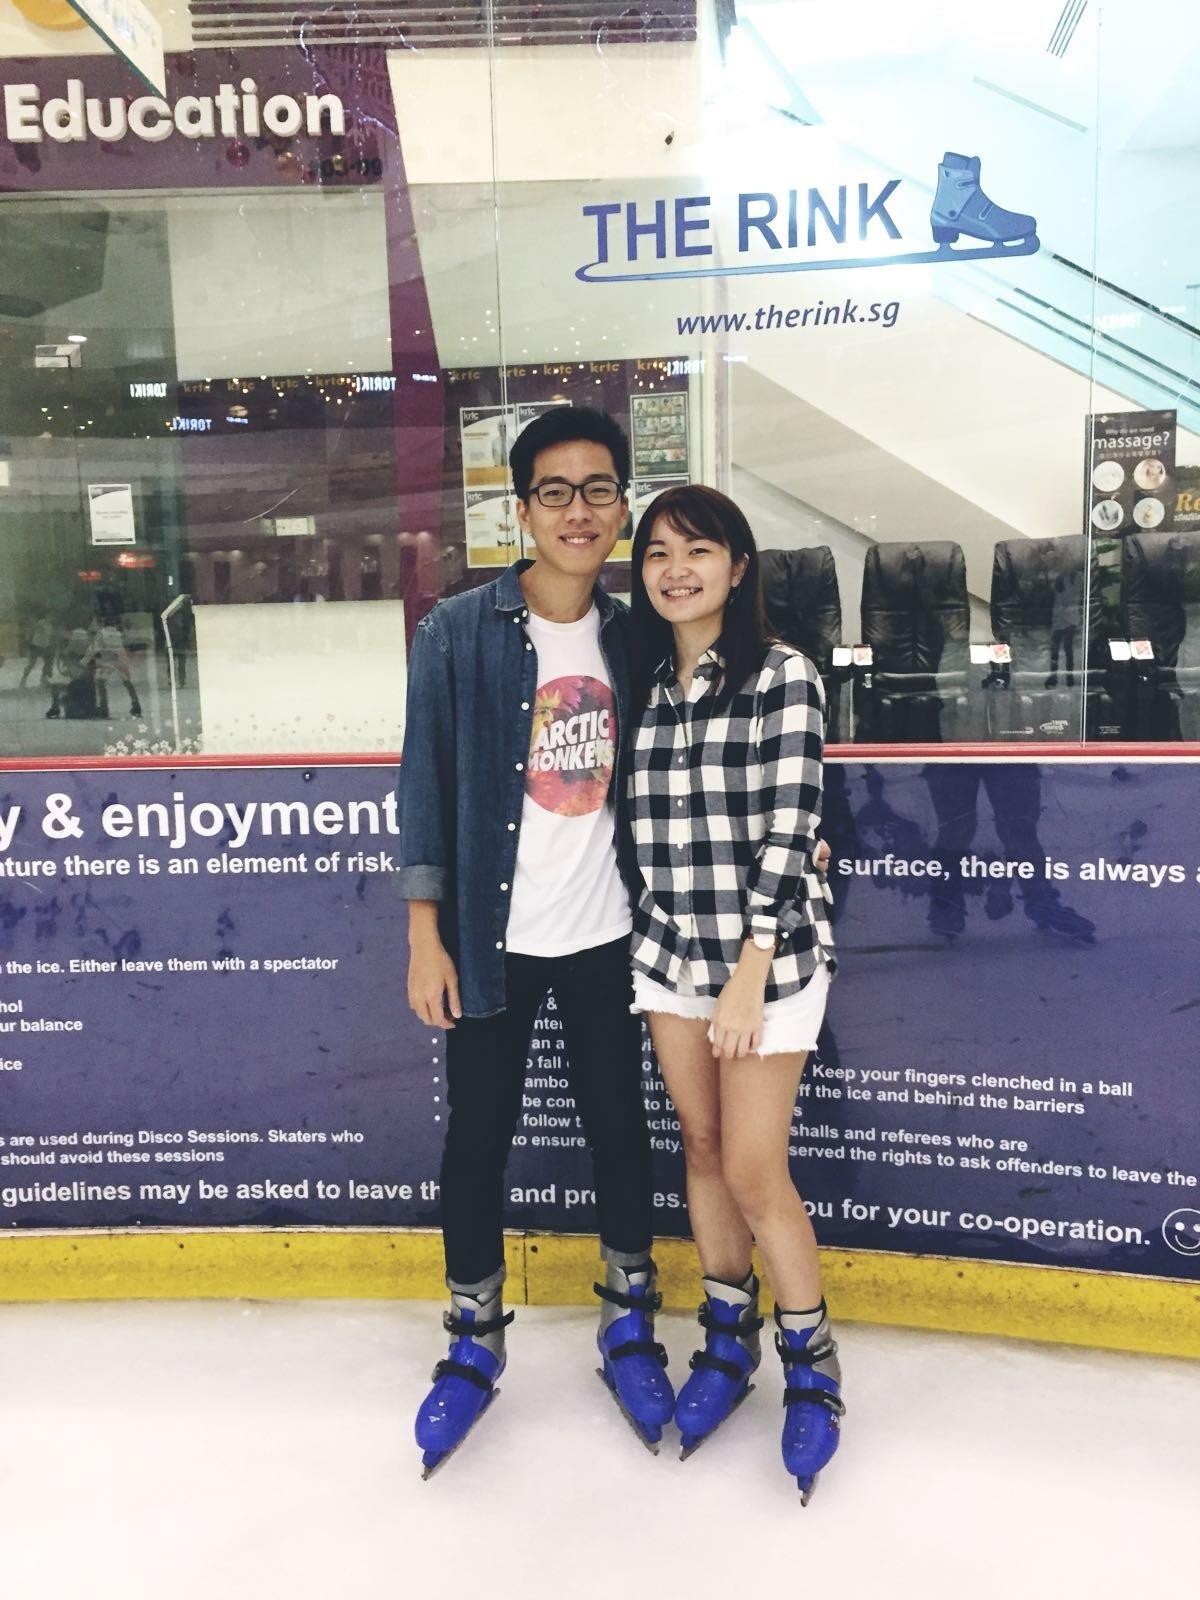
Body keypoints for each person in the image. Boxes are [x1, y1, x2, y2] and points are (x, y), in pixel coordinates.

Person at [397, 406, 672, 1476]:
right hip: (489, 935)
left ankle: (627, 1318)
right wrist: (427, 935)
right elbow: (424, 783)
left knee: (620, 1128)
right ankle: (473, 1337)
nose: (578, 510)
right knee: (479, 1136)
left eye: (598, 489)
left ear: (620, 509)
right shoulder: (459, 631)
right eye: (554, 491)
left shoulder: (638, 632)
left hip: (611, 933)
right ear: (520, 510)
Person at [626, 485, 842, 1501]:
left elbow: (789, 825)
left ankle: (812, 1362)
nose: (677, 568)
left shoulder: (782, 677)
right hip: (670, 953)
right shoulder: (646, 686)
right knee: (702, 1147)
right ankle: (726, 1340)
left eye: (698, 549)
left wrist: (752, 965)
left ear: (738, 565)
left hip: (769, 960)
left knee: (756, 1168)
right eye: (659, 552)